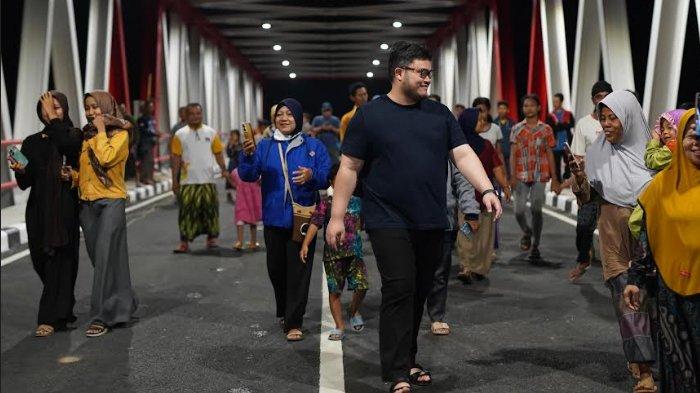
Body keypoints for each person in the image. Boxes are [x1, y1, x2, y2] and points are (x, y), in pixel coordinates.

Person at [326, 41, 502, 393]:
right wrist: (336, 216)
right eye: (422, 73)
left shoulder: (438, 115)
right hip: (387, 218)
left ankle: (408, 360)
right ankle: (396, 372)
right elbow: (349, 166)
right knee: (399, 288)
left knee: (419, 292)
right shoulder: (371, 116)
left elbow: (464, 154)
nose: (427, 80)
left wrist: (485, 189)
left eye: (429, 74)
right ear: (399, 73)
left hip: (431, 219)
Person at [569, 90, 657, 393]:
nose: (606, 124)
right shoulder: (597, 152)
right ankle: (644, 369)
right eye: (602, 118)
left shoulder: (654, 154)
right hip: (612, 233)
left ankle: (656, 356)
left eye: (612, 118)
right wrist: (579, 178)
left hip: (649, 232)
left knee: (653, 298)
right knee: (627, 298)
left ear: (629, 117)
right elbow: (587, 199)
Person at [239, 98, 331, 342]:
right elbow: (248, 176)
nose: (284, 118)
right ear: (274, 119)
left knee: (299, 270)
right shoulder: (265, 146)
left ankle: (294, 321)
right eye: (280, 114)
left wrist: (312, 175)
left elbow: (325, 178)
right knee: (276, 269)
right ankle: (284, 309)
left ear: (298, 118)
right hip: (273, 219)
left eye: (289, 114)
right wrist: (247, 156)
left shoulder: (313, 145)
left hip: (302, 219)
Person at [624, 108, 699, 393]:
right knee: (678, 366)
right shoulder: (661, 187)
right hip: (671, 295)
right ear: (679, 140)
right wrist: (636, 279)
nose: (697, 143)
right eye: (691, 136)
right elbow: (647, 236)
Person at [9, 91, 82, 337]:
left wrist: (55, 122)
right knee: (41, 259)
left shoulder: (73, 135)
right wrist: (20, 169)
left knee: (59, 260)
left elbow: (69, 146)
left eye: (56, 107)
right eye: (45, 108)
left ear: (66, 109)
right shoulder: (32, 141)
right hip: (38, 208)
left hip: (64, 207)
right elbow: (25, 181)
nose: (50, 111)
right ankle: (63, 304)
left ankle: (48, 317)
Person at [78, 90, 138, 337]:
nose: (92, 112)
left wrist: (102, 130)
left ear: (106, 106)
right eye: (88, 108)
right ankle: (124, 303)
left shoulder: (120, 134)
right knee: (103, 260)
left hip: (111, 201)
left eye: (95, 107)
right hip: (86, 204)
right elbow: (86, 171)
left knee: (104, 259)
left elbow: (106, 158)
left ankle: (101, 316)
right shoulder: (86, 136)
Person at [300, 164, 368, 341]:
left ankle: (353, 310)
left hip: (356, 253)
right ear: (332, 181)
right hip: (333, 256)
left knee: (362, 286)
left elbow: (366, 223)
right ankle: (340, 326)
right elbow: (315, 223)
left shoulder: (358, 201)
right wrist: (305, 244)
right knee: (335, 291)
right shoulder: (326, 202)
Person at [427, 113, 481, 336]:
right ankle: (407, 314)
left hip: (443, 219)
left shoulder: (449, 150)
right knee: (411, 272)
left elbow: (463, 180)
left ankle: (436, 316)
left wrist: (470, 210)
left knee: (440, 272)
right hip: (408, 219)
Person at [457, 108, 511, 282]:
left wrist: (506, 186)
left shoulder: (481, 145)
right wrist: (505, 186)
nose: (483, 123)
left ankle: (472, 267)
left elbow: (496, 168)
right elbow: (496, 169)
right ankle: (471, 267)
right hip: (472, 198)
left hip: (480, 198)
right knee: (478, 234)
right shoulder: (461, 147)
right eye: (479, 120)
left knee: (470, 234)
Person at [171, 103, 230, 253]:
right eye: (192, 114)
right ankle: (184, 242)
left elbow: (218, 153)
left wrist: (224, 169)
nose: (196, 116)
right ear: (186, 115)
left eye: (198, 113)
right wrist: (175, 181)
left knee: (210, 211)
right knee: (186, 212)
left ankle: (211, 239)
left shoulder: (211, 132)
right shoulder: (179, 134)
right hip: (188, 181)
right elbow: (176, 159)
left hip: (208, 180)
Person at [568, 80, 612, 281]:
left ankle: (615, 271)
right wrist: (577, 174)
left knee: (613, 231)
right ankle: (584, 258)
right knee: (584, 226)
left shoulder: (618, 121)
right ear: (593, 99)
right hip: (591, 184)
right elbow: (576, 155)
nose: (602, 99)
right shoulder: (584, 124)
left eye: (606, 95)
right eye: (598, 96)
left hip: (614, 185)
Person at [510, 94, 561, 261]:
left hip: (540, 174)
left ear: (539, 108)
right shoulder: (516, 129)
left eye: (532, 105)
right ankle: (526, 231)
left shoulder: (546, 129)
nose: (528, 108)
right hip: (521, 173)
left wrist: (555, 178)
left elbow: (549, 153)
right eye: (525, 106)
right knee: (518, 211)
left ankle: (535, 246)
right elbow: (512, 154)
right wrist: (512, 176)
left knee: (536, 209)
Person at [230, 166, 262, 251]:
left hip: (241, 201)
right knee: (253, 221)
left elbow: (233, 182)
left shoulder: (236, 172)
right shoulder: (256, 172)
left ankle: (239, 242)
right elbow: (261, 182)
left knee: (240, 221)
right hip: (253, 201)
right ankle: (253, 242)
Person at [546, 93, 575, 182]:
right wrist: (564, 125)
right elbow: (551, 127)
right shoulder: (550, 116)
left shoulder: (568, 114)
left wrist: (559, 125)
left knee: (569, 162)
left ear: (561, 102)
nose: (555, 103)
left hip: (566, 142)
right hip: (556, 143)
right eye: (554, 101)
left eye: (557, 101)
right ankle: (558, 181)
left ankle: (566, 177)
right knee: (556, 163)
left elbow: (572, 124)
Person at [472, 97, 505, 165]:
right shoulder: (470, 130)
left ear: (488, 111)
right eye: (478, 111)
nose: (480, 114)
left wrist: (503, 170)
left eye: (483, 111)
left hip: (492, 167)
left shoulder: (495, 129)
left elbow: (499, 153)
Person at [136, 99, 159, 185]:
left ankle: (150, 177)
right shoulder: (141, 119)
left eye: (152, 107)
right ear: (145, 108)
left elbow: (153, 129)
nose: (151, 109)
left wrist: (157, 134)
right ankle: (144, 178)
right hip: (144, 143)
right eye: (149, 107)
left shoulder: (152, 119)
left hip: (151, 143)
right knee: (145, 161)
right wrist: (155, 134)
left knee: (150, 161)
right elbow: (143, 131)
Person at [495, 100, 516, 177]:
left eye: (504, 108)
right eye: (500, 108)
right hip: (498, 154)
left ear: (508, 110)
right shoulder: (494, 123)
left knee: (511, 174)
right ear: (497, 110)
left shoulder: (513, 123)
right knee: (501, 174)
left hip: (510, 153)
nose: (502, 110)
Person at [225, 129, 242, 203]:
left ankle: (238, 195)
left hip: (238, 165)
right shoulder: (230, 144)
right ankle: (230, 194)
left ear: (238, 136)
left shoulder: (240, 145)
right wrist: (230, 145)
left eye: (234, 135)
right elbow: (229, 154)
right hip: (231, 164)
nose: (233, 137)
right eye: (232, 135)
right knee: (229, 179)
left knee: (237, 180)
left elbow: (239, 155)